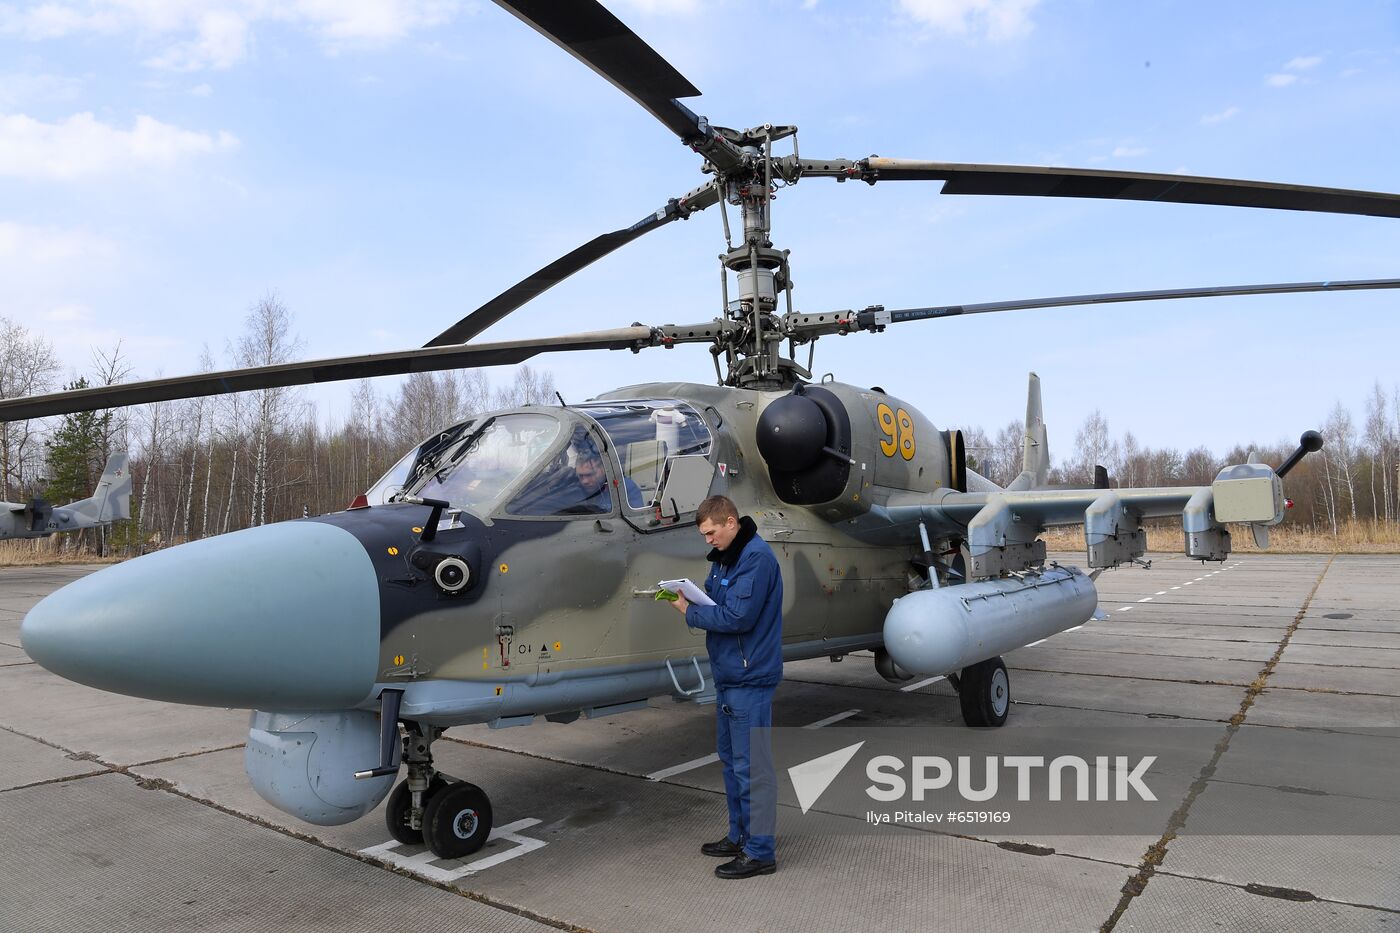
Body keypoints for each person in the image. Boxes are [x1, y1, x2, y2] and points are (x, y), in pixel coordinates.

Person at [668, 495, 783, 879]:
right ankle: (740, 836)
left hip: (750, 679)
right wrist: (690, 599)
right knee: (733, 762)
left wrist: (691, 611)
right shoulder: (726, 557)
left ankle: (760, 851)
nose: (708, 541)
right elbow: (717, 601)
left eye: (711, 533)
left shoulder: (756, 558)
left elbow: (737, 616)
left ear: (730, 522)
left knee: (753, 767)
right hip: (730, 676)